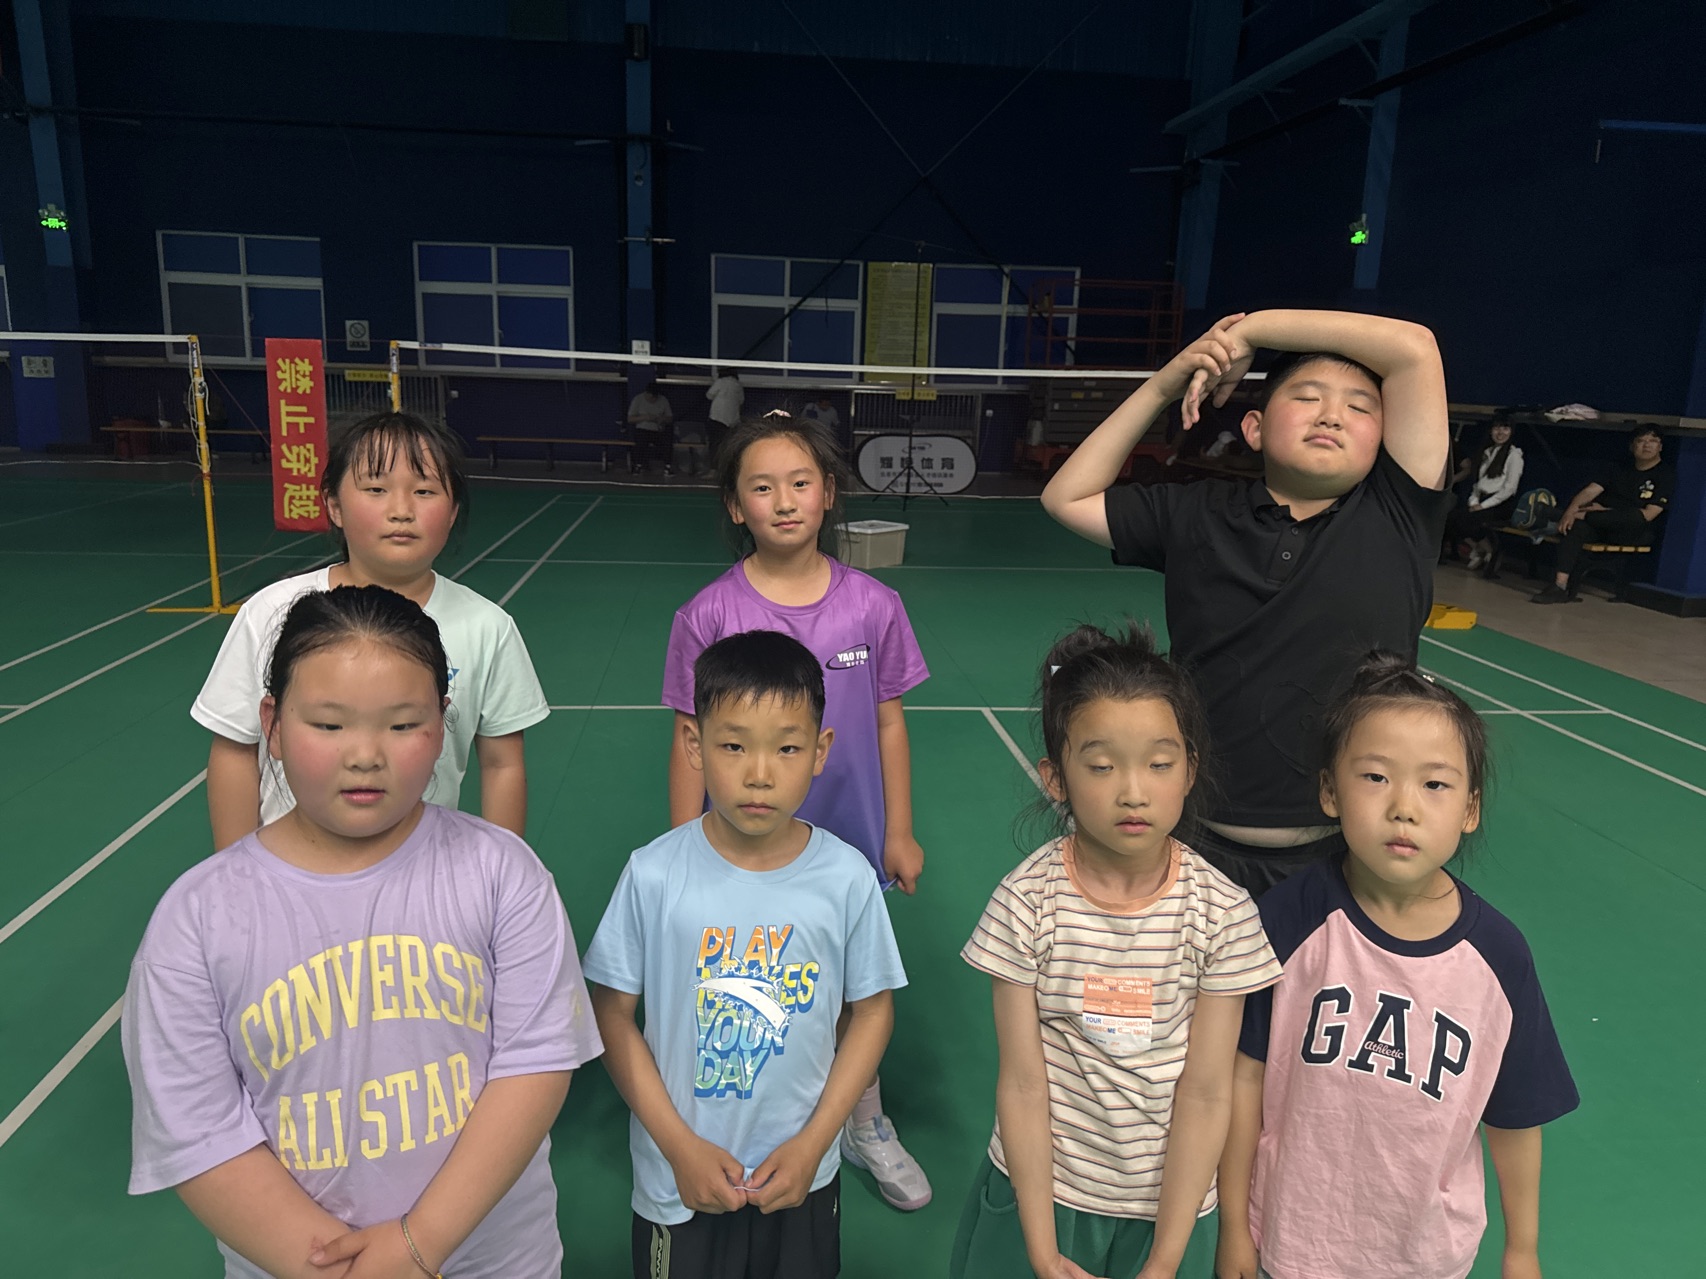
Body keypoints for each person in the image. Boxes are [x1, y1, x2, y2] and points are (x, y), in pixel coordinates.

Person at [123, 585, 602, 1278]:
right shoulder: (196, 920)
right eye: (328, 724)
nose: (366, 754)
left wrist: (419, 1242)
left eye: (403, 725)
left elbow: (535, 1064)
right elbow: (199, 1130)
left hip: (498, 1260)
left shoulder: (504, 875)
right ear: (272, 726)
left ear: (443, 724)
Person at [1041, 311, 1453, 897]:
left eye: (1360, 408)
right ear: (1254, 429)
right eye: (1307, 398)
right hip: (1192, 847)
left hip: (1348, 857)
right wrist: (1165, 385)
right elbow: (1067, 497)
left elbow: (1415, 347)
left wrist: (1250, 330)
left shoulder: (1399, 515)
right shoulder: (1196, 513)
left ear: (1384, 439)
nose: (1331, 415)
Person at [1216, 654, 1578, 1279]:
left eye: (1435, 785)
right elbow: (1242, 1080)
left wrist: (1522, 1250)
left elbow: (1515, 1116)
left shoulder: (1499, 957)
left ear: (1471, 808)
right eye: (1376, 777)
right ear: (1330, 791)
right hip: (1293, 1244)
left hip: (1426, 1257)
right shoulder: (1286, 922)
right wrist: (1233, 1227)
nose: (1404, 806)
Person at [662, 413, 934, 1212]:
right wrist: (681, 846)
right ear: (734, 504)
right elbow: (686, 737)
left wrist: (899, 829)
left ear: (828, 493)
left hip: (847, 835)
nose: (784, 501)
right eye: (762, 486)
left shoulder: (873, 605)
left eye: (800, 482)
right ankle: (749, 1116)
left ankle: (863, 1118)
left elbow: (888, 721)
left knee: (850, 984)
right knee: (756, 975)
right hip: (738, 840)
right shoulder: (707, 614)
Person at [951, 623, 1281, 1279]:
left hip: (1171, 1213)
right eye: (1102, 767)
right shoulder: (1026, 903)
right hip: (1041, 1199)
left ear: (1190, 769)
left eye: (1159, 764)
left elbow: (1207, 1092)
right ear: (1056, 778)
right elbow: (1022, 1084)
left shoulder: (1223, 914)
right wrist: (1041, 1249)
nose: (1134, 790)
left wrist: (1167, 1256)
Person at [586, 630, 907, 1279]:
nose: (759, 773)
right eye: (733, 745)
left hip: (802, 1173)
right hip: (678, 1180)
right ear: (693, 743)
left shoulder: (847, 877)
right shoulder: (653, 874)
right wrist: (679, 1147)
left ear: (820, 751)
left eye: (787, 747)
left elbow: (873, 1013)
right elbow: (611, 1015)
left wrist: (815, 1142)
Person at [192, 411, 549, 848]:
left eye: (424, 491)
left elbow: (501, 765)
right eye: (376, 490)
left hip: (422, 868)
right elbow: (235, 750)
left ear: (453, 511)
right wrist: (237, 869)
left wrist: (504, 870)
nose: (401, 511)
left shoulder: (488, 628)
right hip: (291, 866)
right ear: (334, 505)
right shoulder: (269, 612)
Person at [1531, 424, 1674, 603]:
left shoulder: (1665, 475)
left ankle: (1551, 515)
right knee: (1576, 526)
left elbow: (1648, 515)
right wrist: (1570, 511)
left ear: (1660, 447)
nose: (1646, 445)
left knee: (1634, 517)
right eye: (1641, 441)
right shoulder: (1618, 467)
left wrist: (1599, 513)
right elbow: (1590, 491)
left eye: (1652, 441)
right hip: (1602, 523)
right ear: (1632, 446)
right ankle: (1559, 586)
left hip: (1633, 531)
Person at [1444, 416, 1524, 573]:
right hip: (1482, 499)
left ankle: (1491, 552)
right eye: (1497, 428)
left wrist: (1483, 506)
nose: (1500, 433)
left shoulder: (1514, 455)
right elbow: (1478, 484)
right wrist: (1474, 502)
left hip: (1500, 503)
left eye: (1505, 429)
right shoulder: (1487, 452)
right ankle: (1483, 549)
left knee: (1469, 520)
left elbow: (1509, 489)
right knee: (1452, 518)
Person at [628, 380, 677, 474]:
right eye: (650, 397)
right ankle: (638, 465)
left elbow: (670, 418)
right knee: (640, 440)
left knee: (668, 440)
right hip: (642, 429)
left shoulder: (663, 400)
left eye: (654, 397)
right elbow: (630, 419)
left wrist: (662, 419)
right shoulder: (638, 399)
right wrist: (645, 417)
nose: (652, 399)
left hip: (658, 430)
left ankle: (667, 466)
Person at [706, 371, 746, 464]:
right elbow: (741, 401)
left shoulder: (720, 382)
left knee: (715, 444)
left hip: (717, 418)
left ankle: (714, 467)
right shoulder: (738, 385)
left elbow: (709, 395)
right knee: (729, 445)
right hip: (733, 421)